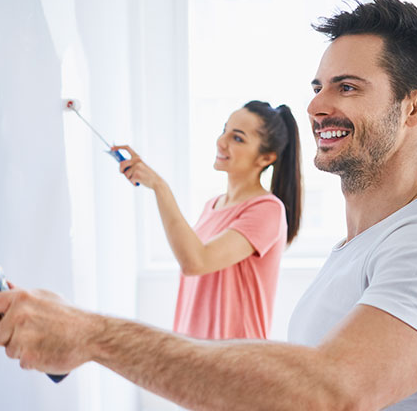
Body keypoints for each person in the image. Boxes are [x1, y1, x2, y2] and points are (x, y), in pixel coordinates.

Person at [0, 0, 417, 410]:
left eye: (347, 87)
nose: (317, 104)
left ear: (416, 107)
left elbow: (330, 392)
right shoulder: (357, 250)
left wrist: (92, 335)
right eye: (319, 85)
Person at [108, 100, 302, 340]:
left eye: (237, 138)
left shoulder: (267, 210)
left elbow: (196, 261)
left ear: (265, 158)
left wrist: (160, 187)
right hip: (195, 353)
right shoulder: (212, 206)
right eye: (224, 131)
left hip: (234, 361)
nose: (221, 142)